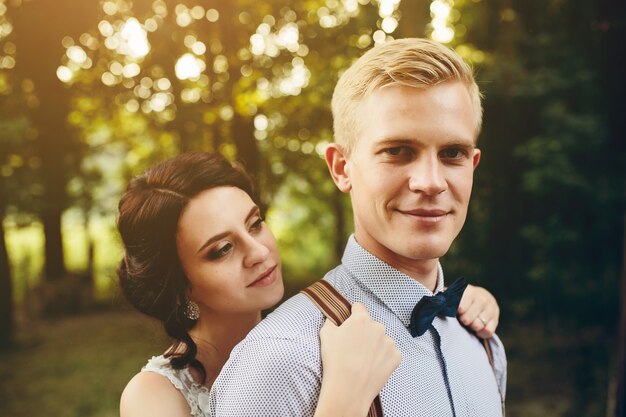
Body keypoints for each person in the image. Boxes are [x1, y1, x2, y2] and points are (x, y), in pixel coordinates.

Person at [209, 38, 506, 417]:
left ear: (473, 164)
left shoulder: (483, 343)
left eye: (452, 154)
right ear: (341, 168)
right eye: (398, 151)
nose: (430, 182)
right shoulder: (282, 356)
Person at [116, 151, 501, 417]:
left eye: (255, 224)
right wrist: (345, 398)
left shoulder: (310, 331)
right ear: (181, 286)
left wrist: (450, 299)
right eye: (221, 250)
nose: (258, 252)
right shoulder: (153, 397)